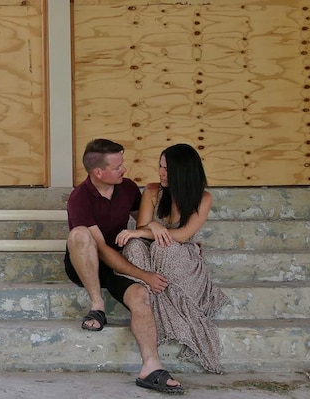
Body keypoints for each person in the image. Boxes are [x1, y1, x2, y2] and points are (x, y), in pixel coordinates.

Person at [64, 138, 184, 394]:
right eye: (118, 167)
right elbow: (103, 251)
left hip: (118, 259)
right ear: (98, 172)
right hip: (86, 260)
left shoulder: (127, 188)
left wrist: (153, 226)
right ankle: (97, 306)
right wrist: (143, 274)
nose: (124, 170)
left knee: (141, 295)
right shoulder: (79, 198)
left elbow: (142, 221)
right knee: (80, 235)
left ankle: (151, 368)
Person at [116, 143, 228, 374]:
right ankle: (151, 300)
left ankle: (167, 307)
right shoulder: (152, 191)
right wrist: (150, 228)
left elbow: (184, 235)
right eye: (160, 166)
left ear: (183, 171)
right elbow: (142, 228)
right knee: (134, 246)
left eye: (167, 169)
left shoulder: (203, 198)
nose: (161, 172)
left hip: (181, 258)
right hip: (153, 256)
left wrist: (152, 229)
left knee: (162, 247)